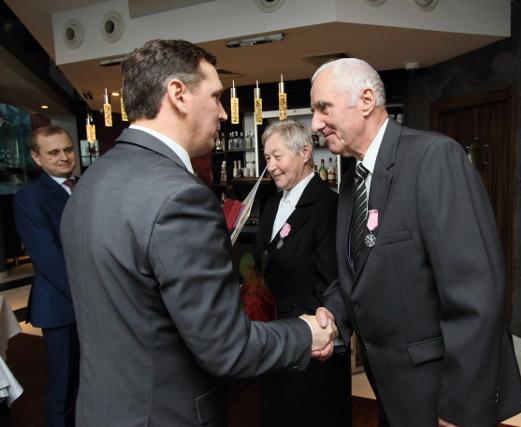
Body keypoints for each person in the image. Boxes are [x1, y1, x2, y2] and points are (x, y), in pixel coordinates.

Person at [60, 39, 335, 427]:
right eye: (216, 97)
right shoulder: (180, 196)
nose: (223, 112)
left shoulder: (91, 181)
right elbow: (227, 348)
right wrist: (306, 334)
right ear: (178, 94)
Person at [311, 58, 521, 427]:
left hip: (439, 394)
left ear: (366, 101)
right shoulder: (352, 180)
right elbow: (358, 271)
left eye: (323, 108)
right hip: (391, 389)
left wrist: (460, 406)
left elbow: (476, 295)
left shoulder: (434, 158)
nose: (315, 124)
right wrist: (331, 314)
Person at [254, 120, 351, 427]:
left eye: (277, 156)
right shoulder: (270, 205)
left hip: (312, 341)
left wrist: (316, 333)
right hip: (274, 337)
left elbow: (333, 281)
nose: (270, 166)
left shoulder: (329, 206)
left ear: (306, 152)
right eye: (267, 158)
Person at [14, 125, 80, 427]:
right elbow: (49, 257)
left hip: (93, 303)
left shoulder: (84, 185)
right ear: (36, 157)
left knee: (90, 381)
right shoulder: (29, 197)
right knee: (63, 387)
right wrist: (91, 296)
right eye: (53, 152)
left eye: (68, 149)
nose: (64, 157)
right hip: (61, 305)